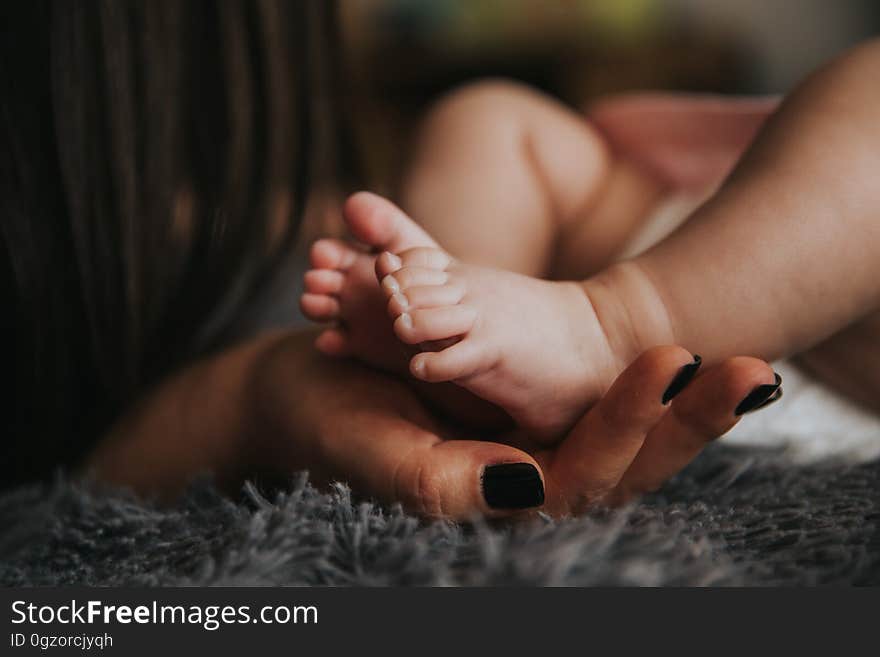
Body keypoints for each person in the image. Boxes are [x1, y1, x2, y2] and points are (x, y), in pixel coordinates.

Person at [2, 1, 784, 519]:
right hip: (644, 232)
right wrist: (245, 399)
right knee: (481, 117)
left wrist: (246, 394)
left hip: (756, 276)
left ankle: (519, 340)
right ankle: (477, 353)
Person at [301, 39, 880, 449]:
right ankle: (466, 346)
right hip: (672, 237)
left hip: (838, 354)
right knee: (488, 117)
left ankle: (608, 328)